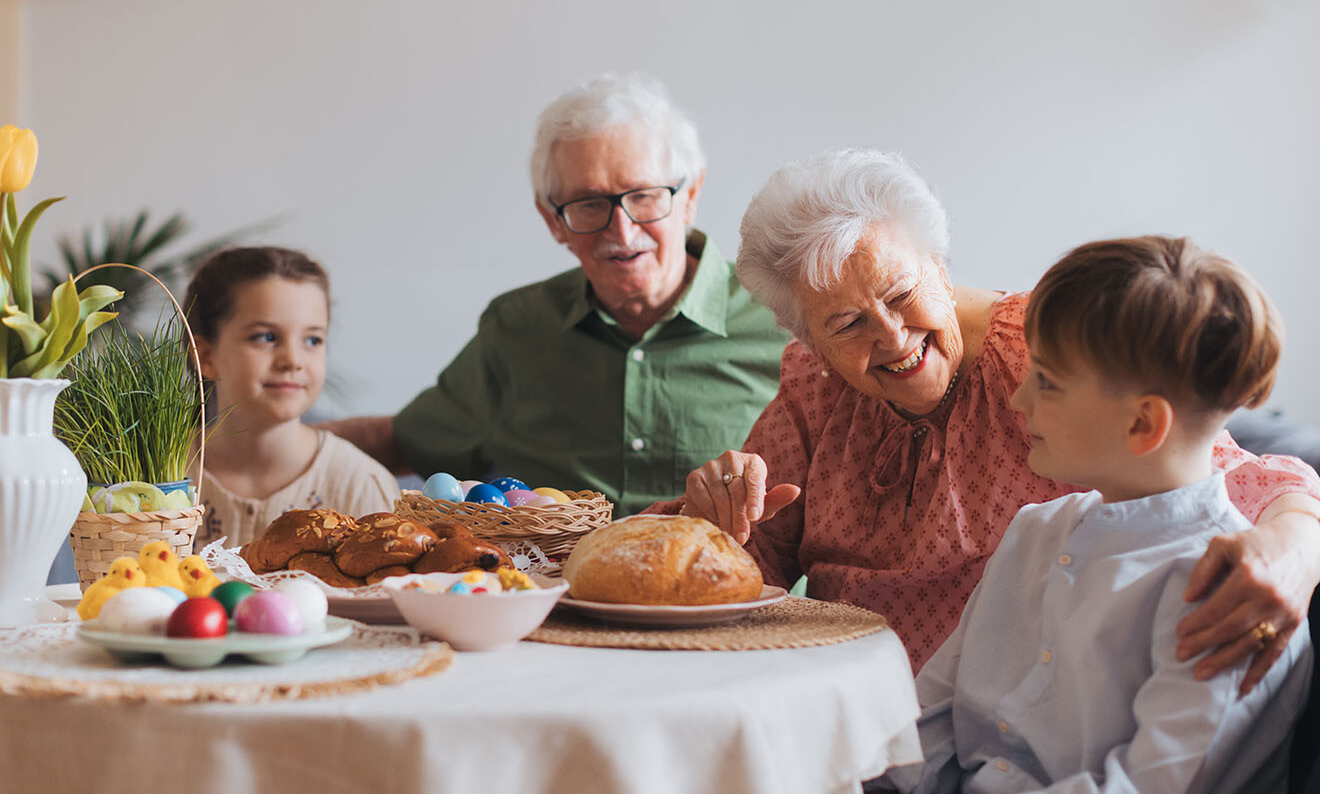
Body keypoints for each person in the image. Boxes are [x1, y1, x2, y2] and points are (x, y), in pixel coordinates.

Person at [647, 148, 1320, 687]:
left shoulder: (1054, 355)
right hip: (841, 713)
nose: (890, 336)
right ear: (809, 341)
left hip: (1022, 729)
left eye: (901, 292)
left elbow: (1228, 476)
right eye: (847, 323)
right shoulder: (815, 386)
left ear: (938, 266)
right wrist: (720, 522)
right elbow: (751, 555)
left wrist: (1297, 547)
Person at [877, 236, 1311, 793]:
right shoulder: (1034, 531)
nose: (1018, 399)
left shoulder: (1222, 596)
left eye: (1048, 382)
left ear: (1142, 425)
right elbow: (929, 716)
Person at [324, 73, 788, 516]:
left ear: (689, 196)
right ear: (553, 221)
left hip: (739, 595)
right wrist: (265, 442)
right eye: (590, 204)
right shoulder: (516, 328)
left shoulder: (784, 316)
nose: (622, 231)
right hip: (556, 596)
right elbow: (405, 441)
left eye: (644, 196)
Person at [184, 246, 401, 548]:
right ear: (206, 356)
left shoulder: (361, 486)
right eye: (266, 337)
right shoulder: (160, 480)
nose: (293, 360)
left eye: (312, 340)